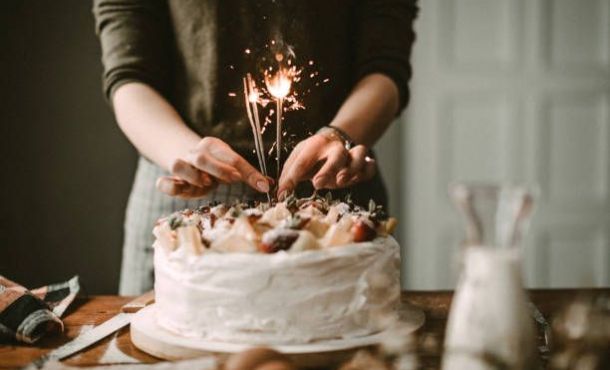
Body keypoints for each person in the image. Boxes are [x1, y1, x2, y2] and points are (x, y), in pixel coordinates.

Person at [93, 0, 417, 295]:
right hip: (186, 193)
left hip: (332, 189)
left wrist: (338, 135)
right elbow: (129, 73)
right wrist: (187, 152)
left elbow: (385, 65)